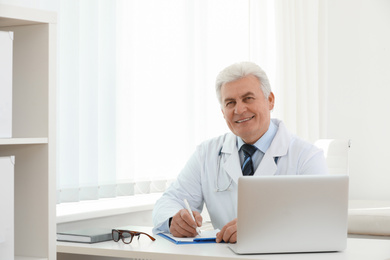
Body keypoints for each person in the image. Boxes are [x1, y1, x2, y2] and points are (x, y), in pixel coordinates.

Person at [152, 61, 328, 243]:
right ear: (222, 111)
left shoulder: (307, 156)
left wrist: (260, 228)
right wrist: (175, 219)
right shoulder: (206, 154)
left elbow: (322, 221)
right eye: (230, 103)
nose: (239, 109)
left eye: (248, 98)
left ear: (270, 100)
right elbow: (168, 202)